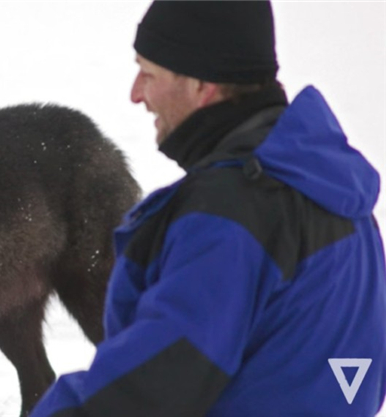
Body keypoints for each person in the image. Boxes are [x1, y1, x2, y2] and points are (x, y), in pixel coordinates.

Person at [30, 2, 386, 416]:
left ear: (202, 84)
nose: (136, 94)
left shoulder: (232, 213)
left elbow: (153, 384)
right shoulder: (333, 191)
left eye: (149, 74)